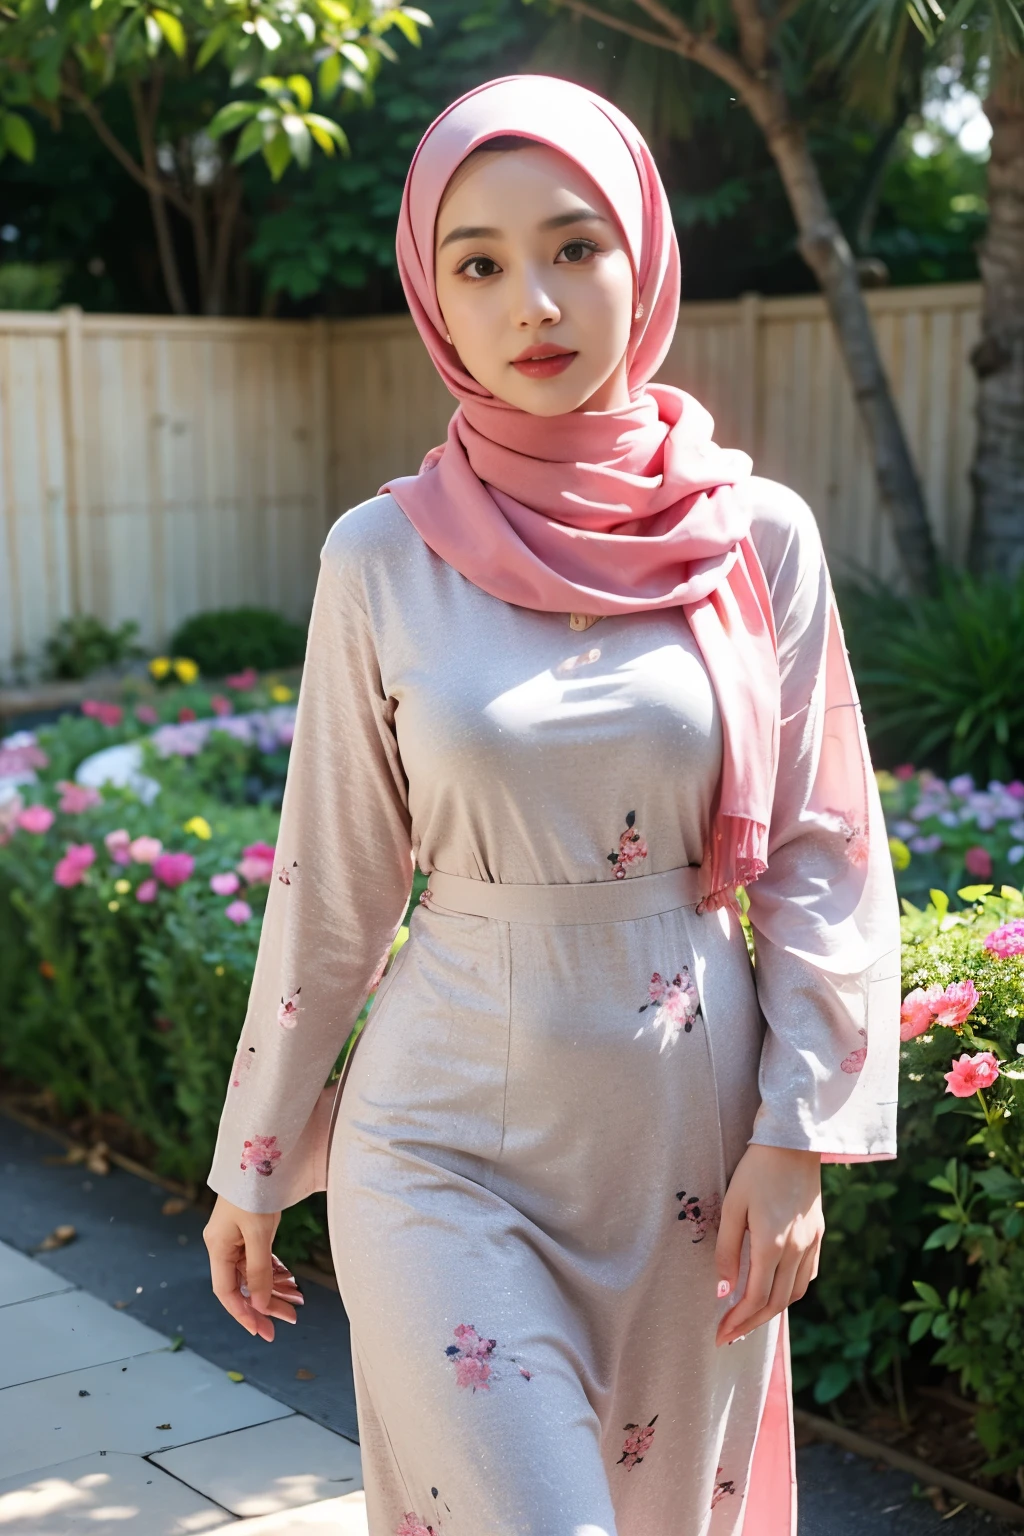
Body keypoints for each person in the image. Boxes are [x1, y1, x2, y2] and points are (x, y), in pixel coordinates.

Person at [203, 75, 900, 1536]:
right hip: (438, 1142)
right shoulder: (379, 558)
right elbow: (332, 886)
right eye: (480, 261)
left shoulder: (756, 536)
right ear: (432, 298)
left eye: (577, 245)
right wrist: (253, 1164)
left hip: (687, 1154)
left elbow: (825, 855)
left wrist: (797, 1139)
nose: (536, 298)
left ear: (641, 256)